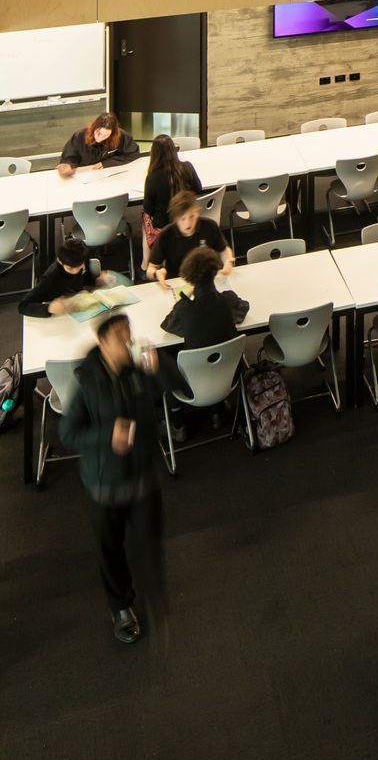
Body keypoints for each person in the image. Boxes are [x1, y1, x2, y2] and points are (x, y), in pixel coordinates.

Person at [59, 312, 165, 644]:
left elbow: (154, 411)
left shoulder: (136, 372)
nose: (129, 341)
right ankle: (121, 606)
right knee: (111, 548)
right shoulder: (88, 382)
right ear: (103, 343)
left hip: (142, 476)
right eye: (122, 337)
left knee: (147, 538)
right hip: (105, 485)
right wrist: (107, 435)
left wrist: (155, 376)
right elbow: (68, 433)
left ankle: (149, 591)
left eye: (129, 333)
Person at [146, 190, 232, 284]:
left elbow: (223, 249)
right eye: (182, 219)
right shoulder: (165, 235)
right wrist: (156, 273)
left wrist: (228, 261)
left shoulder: (210, 226)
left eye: (192, 216)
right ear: (175, 218)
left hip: (208, 279)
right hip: (179, 281)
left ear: (197, 212)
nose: (188, 223)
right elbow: (151, 268)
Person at [19, 236, 116, 317]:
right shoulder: (50, 277)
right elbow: (23, 306)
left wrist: (97, 279)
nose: (76, 271)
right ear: (60, 261)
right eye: (70, 269)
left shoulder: (82, 258)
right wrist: (49, 308)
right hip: (61, 313)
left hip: (80, 306)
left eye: (79, 267)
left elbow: (85, 279)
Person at [142, 134, 203, 242]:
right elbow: (198, 190)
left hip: (165, 226)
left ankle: (147, 257)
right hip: (188, 219)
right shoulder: (187, 167)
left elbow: (148, 209)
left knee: (144, 216)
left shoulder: (152, 177)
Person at [58, 111, 140, 178]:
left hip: (110, 176)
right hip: (84, 176)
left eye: (105, 135)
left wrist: (108, 163)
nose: (100, 138)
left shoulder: (121, 136)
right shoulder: (79, 136)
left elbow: (132, 153)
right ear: (94, 127)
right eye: (98, 133)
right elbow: (68, 157)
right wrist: (67, 165)